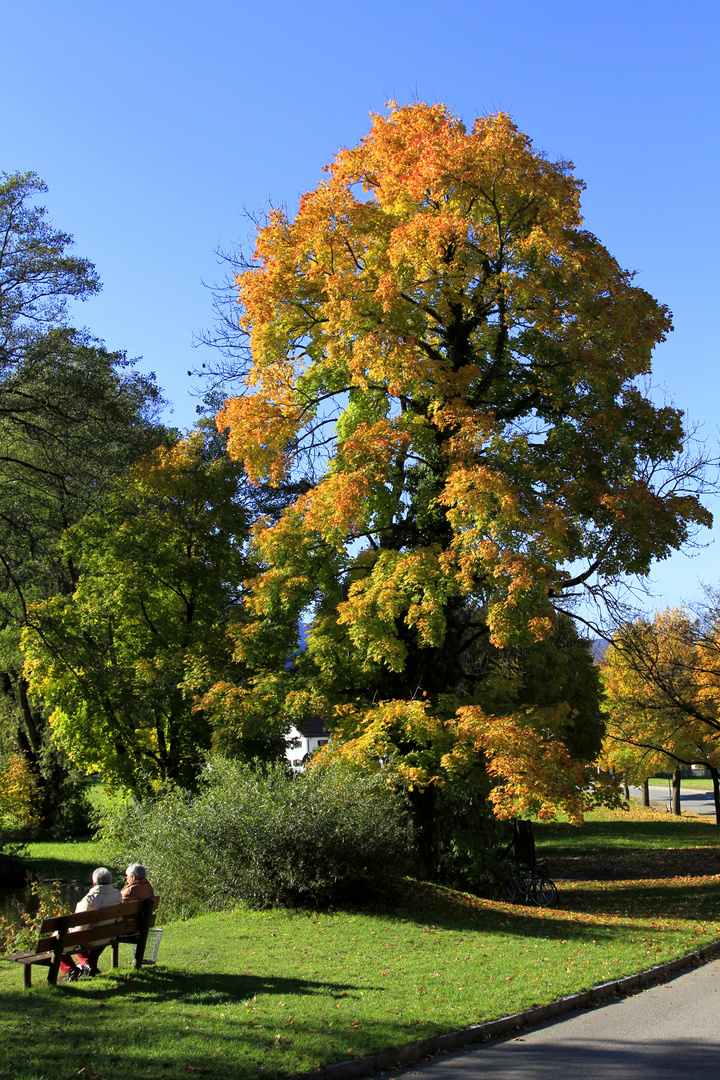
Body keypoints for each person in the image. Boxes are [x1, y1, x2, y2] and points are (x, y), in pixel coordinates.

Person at [59, 867, 122, 981]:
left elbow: (80, 931)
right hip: (107, 937)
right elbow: (119, 919)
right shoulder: (117, 895)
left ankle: (73, 969)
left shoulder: (89, 900)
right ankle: (88, 965)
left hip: (91, 939)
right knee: (85, 936)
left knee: (56, 939)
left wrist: (71, 931)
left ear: (94, 883)